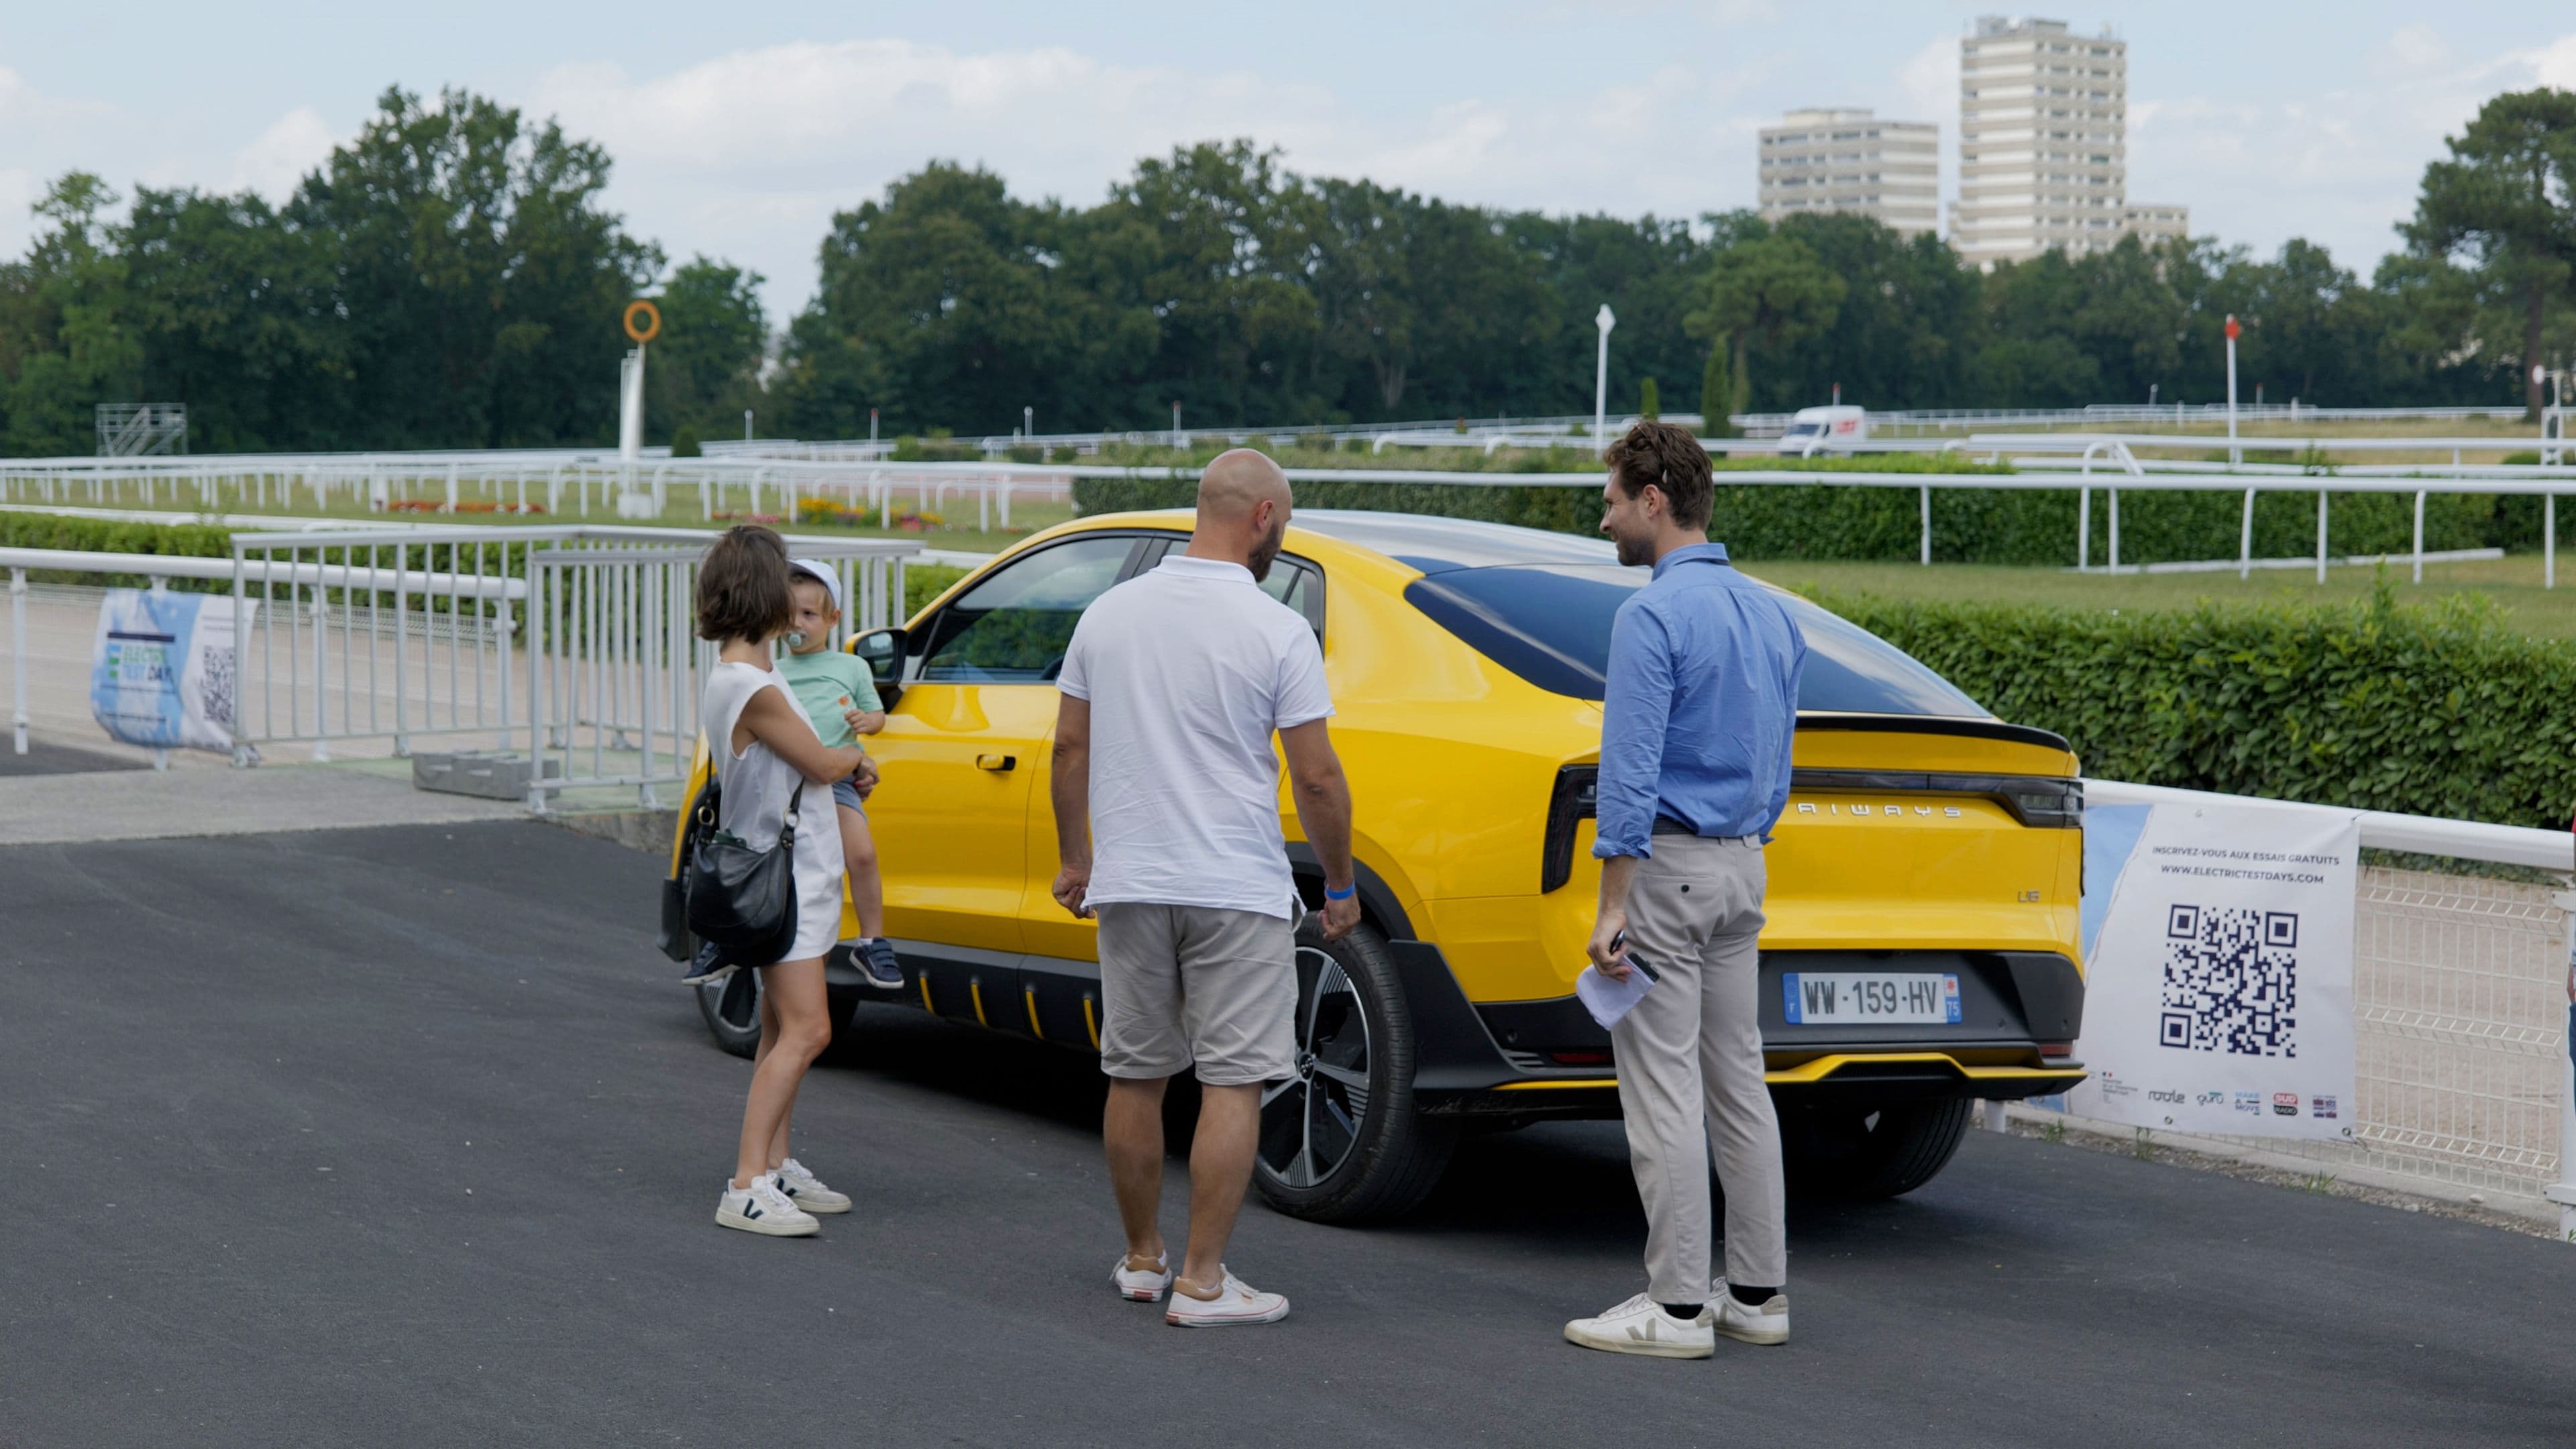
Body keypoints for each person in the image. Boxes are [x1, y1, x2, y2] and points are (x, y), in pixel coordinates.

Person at [1048, 448, 1360, 1328]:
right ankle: (1204, 1282)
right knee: (1232, 1080)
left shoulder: (1109, 614)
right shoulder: (1275, 628)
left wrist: (1079, 861)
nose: (1281, 536)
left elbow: (1068, 749)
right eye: (1285, 522)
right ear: (1263, 516)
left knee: (1136, 1073)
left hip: (1134, 880)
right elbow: (1319, 778)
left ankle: (1143, 1261)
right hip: (1235, 885)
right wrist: (1338, 882)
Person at [1562, 420, 1807, 1358]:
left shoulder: (1651, 616)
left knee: (1663, 1091)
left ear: (1654, 501)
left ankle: (1672, 1311)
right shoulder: (1772, 611)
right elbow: (1780, 754)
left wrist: (1612, 904)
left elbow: (1627, 775)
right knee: (1739, 1084)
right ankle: (1756, 1294)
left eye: (1615, 500)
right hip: (1745, 862)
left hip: (1666, 867)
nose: (1606, 517)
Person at [694, 525, 871, 1237]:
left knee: (778, 1027)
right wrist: (856, 751)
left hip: (793, 871)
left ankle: (775, 1163)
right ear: (763, 593)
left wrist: (840, 758)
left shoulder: (743, 676)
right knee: (809, 1029)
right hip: (788, 876)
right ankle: (747, 1182)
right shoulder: (751, 685)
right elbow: (825, 765)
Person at [777, 559, 904, 991]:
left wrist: (868, 723)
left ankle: (871, 941)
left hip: (838, 783)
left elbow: (876, 713)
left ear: (833, 619)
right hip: (787, 786)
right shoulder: (773, 672)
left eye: (809, 615)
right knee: (771, 865)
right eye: (789, 614)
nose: (798, 624)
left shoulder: (851, 668)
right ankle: (735, 931)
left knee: (862, 855)